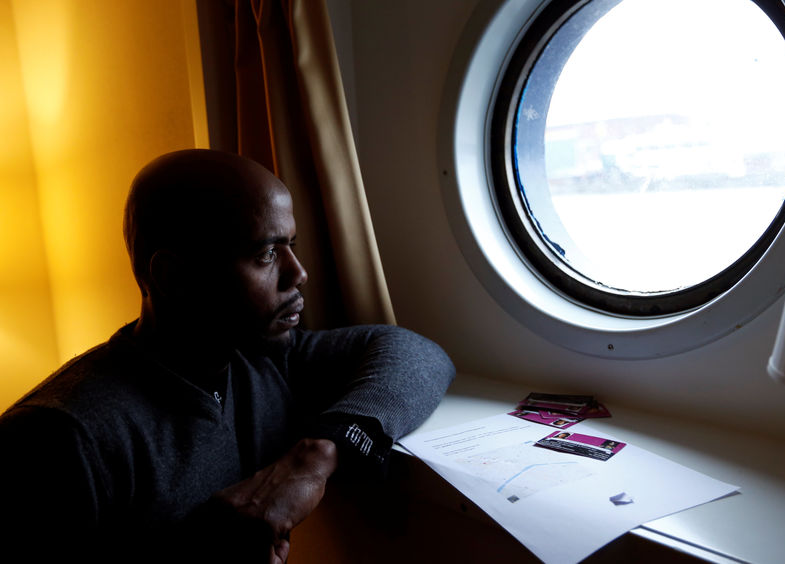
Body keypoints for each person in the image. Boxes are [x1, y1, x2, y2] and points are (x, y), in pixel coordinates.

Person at [0, 149, 455, 561]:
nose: (299, 274)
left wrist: (312, 459)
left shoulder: (264, 359)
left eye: (290, 247)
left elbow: (419, 355)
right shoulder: (57, 440)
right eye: (265, 255)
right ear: (174, 277)